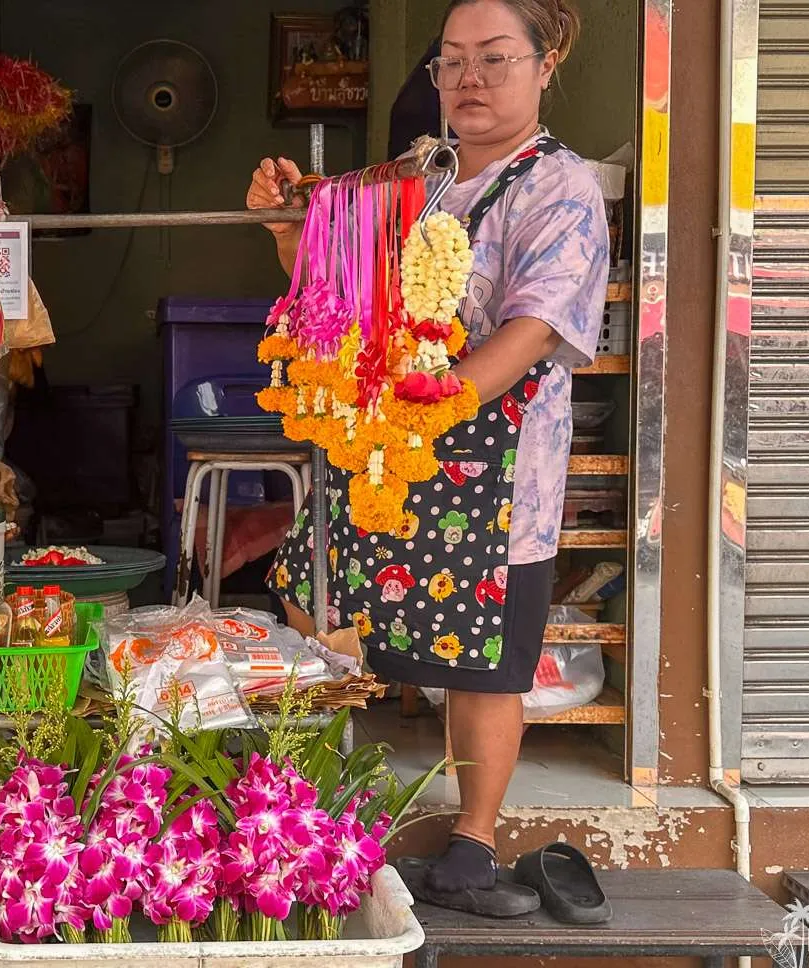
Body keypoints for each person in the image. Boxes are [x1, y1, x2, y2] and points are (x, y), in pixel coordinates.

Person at [248, 0, 606, 913]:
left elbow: (535, 326)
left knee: (487, 656)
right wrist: (291, 227)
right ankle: (317, 808)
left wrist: (435, 402)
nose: (471, 80)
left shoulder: (559, 187)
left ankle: (472, 846)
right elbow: (333, 286)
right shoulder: (412, 176)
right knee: (321, 601)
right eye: (452, 62)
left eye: (494, 59)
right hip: (377, 452)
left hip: (494, 461)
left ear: (545, 61)